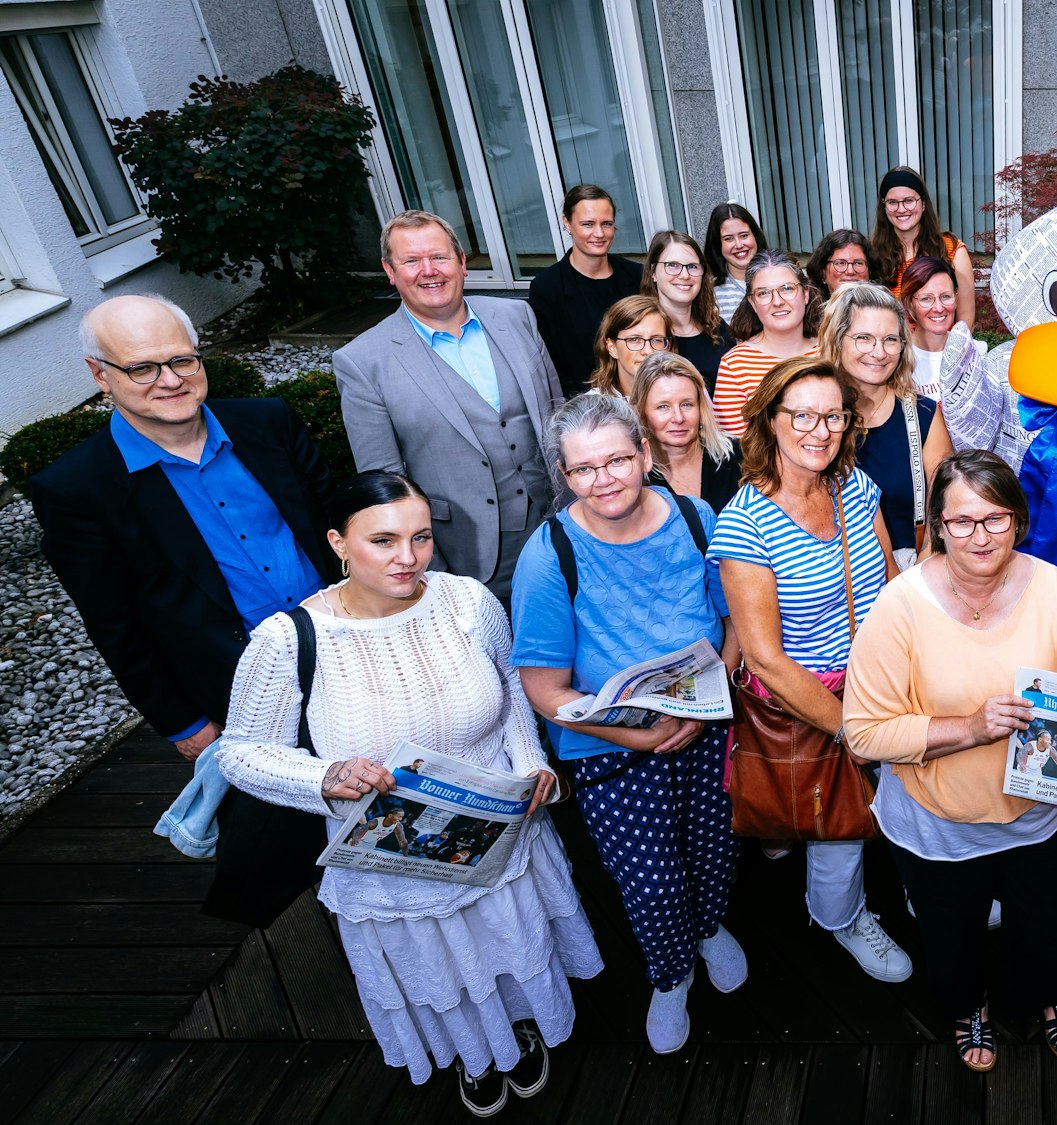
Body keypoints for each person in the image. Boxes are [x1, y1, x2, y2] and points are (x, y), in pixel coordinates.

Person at [213, 471, 602, 1116]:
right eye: (383, 540)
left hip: (496, 827)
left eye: (420, 538)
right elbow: (241, 752)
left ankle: (522, 1026)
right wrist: (323, 777)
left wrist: (533, 764)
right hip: (396, 852)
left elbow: (508, 693)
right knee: (442, 962)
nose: (408, 558)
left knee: (509, 938)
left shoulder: (467, 601)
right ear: (338, 543)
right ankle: (473, 1053)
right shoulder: (290, 640)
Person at [30, 294, 342, 927]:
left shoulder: (269, 423)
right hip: (241, 690)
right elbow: (114, 624)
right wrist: (184, 726)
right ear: (100, 375)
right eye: (143, 367)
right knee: (303, 844)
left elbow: (336, 526)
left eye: (182, 359)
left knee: (382, 802)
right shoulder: (77, 488)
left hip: (345, 649)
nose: (169, 380)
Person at [844, 451, 1057, 1072]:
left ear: (1019, 521)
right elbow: (864, 734)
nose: (980, 536)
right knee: (951, 938)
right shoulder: (900, 607)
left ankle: (1043, 993)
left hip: (1035, 815)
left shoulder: (1055, 591)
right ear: (936, 524)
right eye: (962, 522)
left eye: (996, 519)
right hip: (939, 824)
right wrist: (971, 728)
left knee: (1048, 928)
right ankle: (967, 1008)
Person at [510, 394, 743, 1057]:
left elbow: (731, 624)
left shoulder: (696, 518)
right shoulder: (550, 553)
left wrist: (715, 694)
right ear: (563, 472)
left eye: (617, 458)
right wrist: (636, 734)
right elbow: (545, 689)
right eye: (584, 469)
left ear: (644, 453)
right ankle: (670, 973)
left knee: (715, 847)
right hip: (612, 745)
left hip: (705, 726)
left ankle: (708, 926)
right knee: (651, 877)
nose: (605, 478)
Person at [707, 356, 914, 981]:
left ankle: (925, 887)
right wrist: (851, 726)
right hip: (811, 699)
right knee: (837, 823)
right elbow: (765, 657)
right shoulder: (743, 524)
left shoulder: (852, 487)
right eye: (801, 414)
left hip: (880, 678)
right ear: (769, 420)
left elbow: (894, 583)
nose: (818, 430)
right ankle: (841, 918)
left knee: (912, 791)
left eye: (832, 415)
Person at [334, 210, 564, 606]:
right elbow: (384, 484)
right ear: (390, 271)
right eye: (411, 261)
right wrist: (430, 567)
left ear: (461, 262)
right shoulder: (363, 360)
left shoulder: (516, 315)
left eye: (439, 257)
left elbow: (558, 415)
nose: (429, 271)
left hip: (562, 524)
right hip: (471, 556)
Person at [820, 283, 952, 568]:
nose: (879, 352)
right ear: (837, 339)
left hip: (911, 570)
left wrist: (923, 566)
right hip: (831, 578)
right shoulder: (813, 419)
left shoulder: (924, 415)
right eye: (864, 338)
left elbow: (945, 504)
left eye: (890, 339)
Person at [528, 184, 643, 397]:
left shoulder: (636, 276)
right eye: (588, 224)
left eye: (607, 224)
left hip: (642, 394)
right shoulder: (548, 287)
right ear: (567, 223)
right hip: (586, 406)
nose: (599, 233)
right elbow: (552, 364)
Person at [714, 250, 821, 436]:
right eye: (763, 293)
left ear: (805, 294)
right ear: (753, 303)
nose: (777, 301)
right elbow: (734, 448)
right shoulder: (735, 365)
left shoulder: (831, 350)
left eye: (787, 288)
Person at [630, 350, 742, 516]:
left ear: (700, 407)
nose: (678, 418)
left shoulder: (739, 457)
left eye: (687, 404)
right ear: (642, 411)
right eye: (663, 407)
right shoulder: (636, 476)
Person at [871, 166, 975, 319]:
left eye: (909, 201)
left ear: (923, 203)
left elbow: (966, 320)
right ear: (884, 206)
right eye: (893, 202)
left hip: (943, 342)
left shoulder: (952, 250)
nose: (901, 209)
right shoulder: (873, 256)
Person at [641, 229, 734, 393]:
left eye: (692, 266)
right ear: (652, 272)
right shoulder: (642, 335)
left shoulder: (718, 328)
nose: (684, 275)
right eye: (672, 265)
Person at [901, 254, 983, 399]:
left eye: (946, 296)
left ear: (956, 299)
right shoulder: (898, 361)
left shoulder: (976, 353)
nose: (938, 308)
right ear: (909, 304)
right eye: (926, 299)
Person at [587, 295, 669, 398]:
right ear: (612, 347)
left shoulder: (685, 394)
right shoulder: (591, 408)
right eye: (634, 340)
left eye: (657, 340)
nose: (648, 351)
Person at [704, 202, 767, 325]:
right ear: (718, 244)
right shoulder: (710, 293)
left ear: (755, 236)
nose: (738, 245)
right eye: (728, 239)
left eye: (744, 235)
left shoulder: (779, 276)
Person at [809, 229, 883, 296]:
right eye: (840, 263)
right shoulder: (806, 309)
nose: (850, 271)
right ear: (823, 272)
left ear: (870, 270)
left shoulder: (885, 309)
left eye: (858, 263)